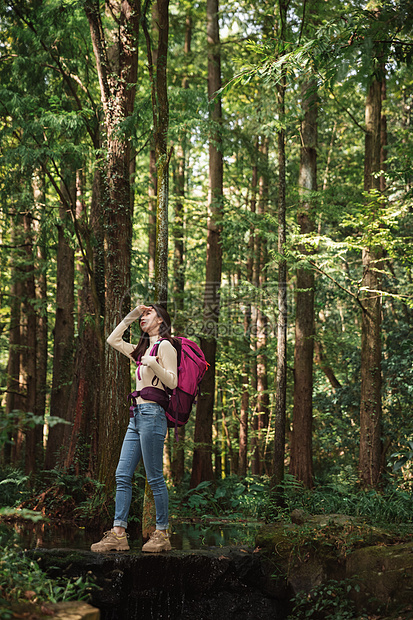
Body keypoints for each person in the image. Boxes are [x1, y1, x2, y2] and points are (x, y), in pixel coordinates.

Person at [91, 303, 177, 553]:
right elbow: (112, 339)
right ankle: (118, 534)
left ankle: (162, 534)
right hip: (136, 416)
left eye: (149, 313)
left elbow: (172, 381)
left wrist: (153, 362)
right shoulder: (142, 350)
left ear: (161, 320)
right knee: (122, 475)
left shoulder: (166, 346)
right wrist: (132, 315)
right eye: (144, 314)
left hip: (153, 415)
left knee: (154, 478)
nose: (144, 317)